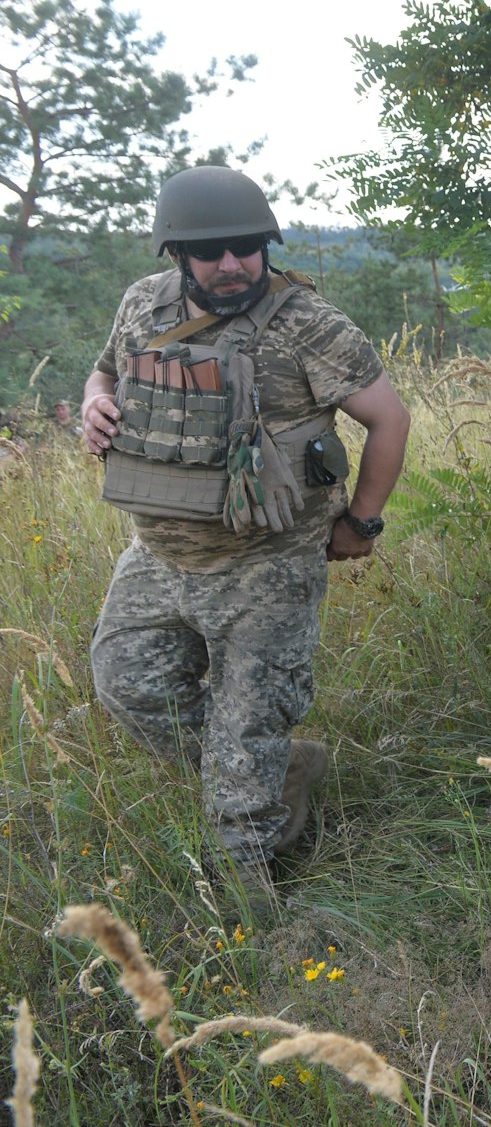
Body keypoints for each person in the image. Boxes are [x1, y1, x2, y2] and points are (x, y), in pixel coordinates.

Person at [78, 165, 410, 911]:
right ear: (177, 256)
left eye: (247, 247)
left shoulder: (307, 324)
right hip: (158, 555)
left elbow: (389, 418)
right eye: (212, 251)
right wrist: (95, 408)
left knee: (244, 737)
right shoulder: (143, 303)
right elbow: (103, 375)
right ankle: (278, 767)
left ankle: (254, 918)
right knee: (125, 685)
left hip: (270, 561)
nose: (233, 264)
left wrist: (361, 522)